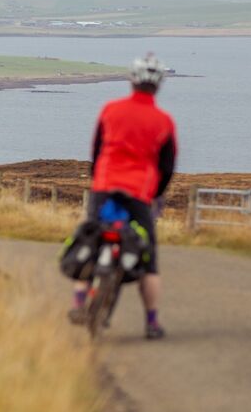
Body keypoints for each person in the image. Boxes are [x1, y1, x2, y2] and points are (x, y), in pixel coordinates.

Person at [69, 52, 177, 339]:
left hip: (105, 187)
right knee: (149, 261)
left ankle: (79, 301)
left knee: (89, 241)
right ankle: (152, 322)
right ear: (159, 84)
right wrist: (156, 195)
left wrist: (98, 182)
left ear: (132, 79)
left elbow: (96, 150)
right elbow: (167, 167)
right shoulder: (164, 121)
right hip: (139, 193)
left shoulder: (110, 110)